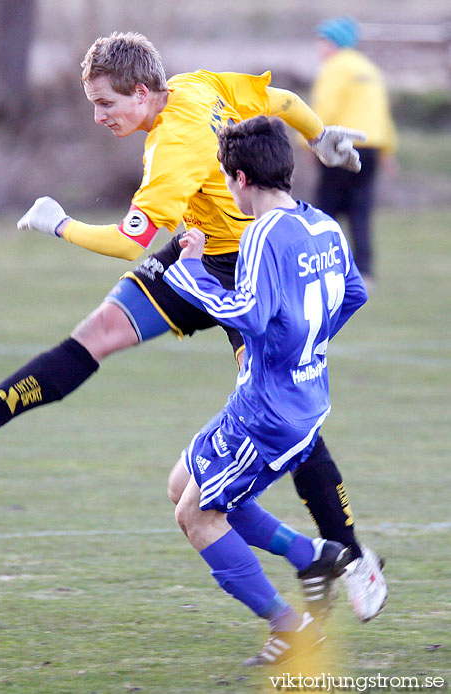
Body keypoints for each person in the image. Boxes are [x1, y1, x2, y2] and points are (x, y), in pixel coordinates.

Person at [0, 32, 385, 620]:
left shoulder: (172, 145)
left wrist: (61, 225)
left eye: (105, 103)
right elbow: (279, 99)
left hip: (247, 268)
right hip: (196, 252)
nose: (98, 116)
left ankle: (355, 558)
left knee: (282, 409)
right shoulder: (200, 86)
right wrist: (319, 136)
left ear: (140, 92)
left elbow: (127, 241)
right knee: (100, 331)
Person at [163, 115, 368, 664]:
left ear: (238, 177)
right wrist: (308, 346)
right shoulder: (323, 224)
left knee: (198, 516)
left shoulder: (260, 234)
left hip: (268, 414)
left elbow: (247, 314)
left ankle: (290, 627)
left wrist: (189, 269)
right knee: (182, 483)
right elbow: (353, 293)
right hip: (297, 399)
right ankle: (311, 556)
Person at [311, 15, 398, 285]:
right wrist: (388, 151)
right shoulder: (370, 69)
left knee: (326, 208)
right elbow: (383, 114)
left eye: (323, 40)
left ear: (335, 43)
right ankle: (365, 271)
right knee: (361, 209)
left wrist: (309, 141)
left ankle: (321, 265)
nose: (319, 46)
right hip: (372, 146)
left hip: (340, 145)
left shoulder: (335, 67)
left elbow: (325, 108)